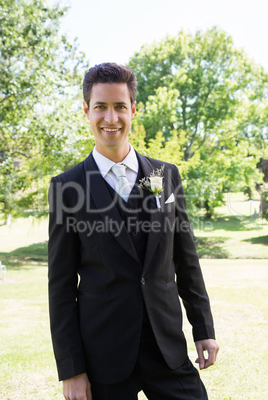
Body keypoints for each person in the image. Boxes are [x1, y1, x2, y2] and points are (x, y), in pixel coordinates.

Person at [48, 62, 219, 400]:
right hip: (103, 359)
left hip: (166, 350)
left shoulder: (164, 176)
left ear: (133, 109)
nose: (110, 118)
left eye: (119, 107)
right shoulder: (67, 187)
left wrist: (203, 328)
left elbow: (186, 260)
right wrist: (72, 368)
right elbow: (61, 286)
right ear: (86, 110)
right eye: (100, 107)